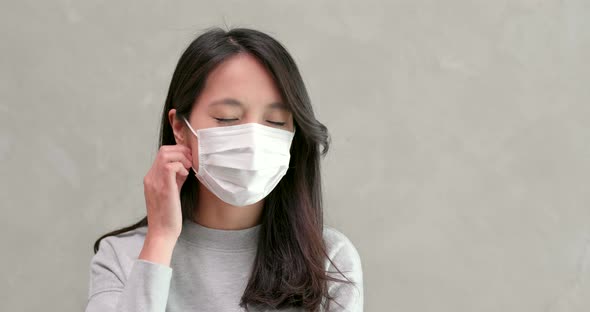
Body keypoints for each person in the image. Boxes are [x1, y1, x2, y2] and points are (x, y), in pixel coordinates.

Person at [85, 26, 363, 312]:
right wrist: (160, 239)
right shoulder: (123, 255)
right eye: (227, 118)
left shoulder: (329, 261)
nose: (253, 139)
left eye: (276, 122)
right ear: (180, 127)